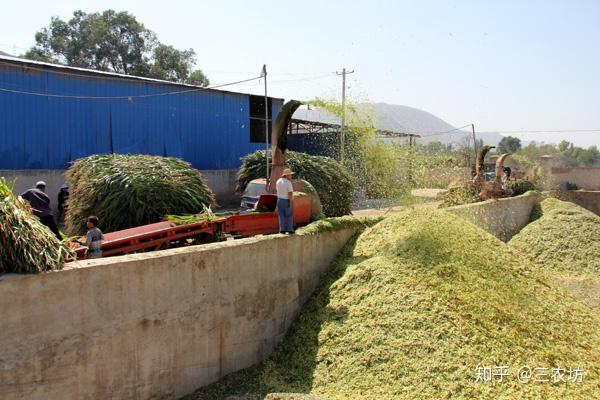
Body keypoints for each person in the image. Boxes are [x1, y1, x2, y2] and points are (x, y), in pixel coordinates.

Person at [276, 168, 295, 234]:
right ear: (286, 175)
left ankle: (282, 229)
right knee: (290, 215)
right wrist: (291, 201)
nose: (291, 176)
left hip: (279, 200)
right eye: (290, 175)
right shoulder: (288, 183)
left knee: (281, 215)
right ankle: (290, 229)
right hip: (286, 200)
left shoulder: (278, 181)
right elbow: (290, 193)